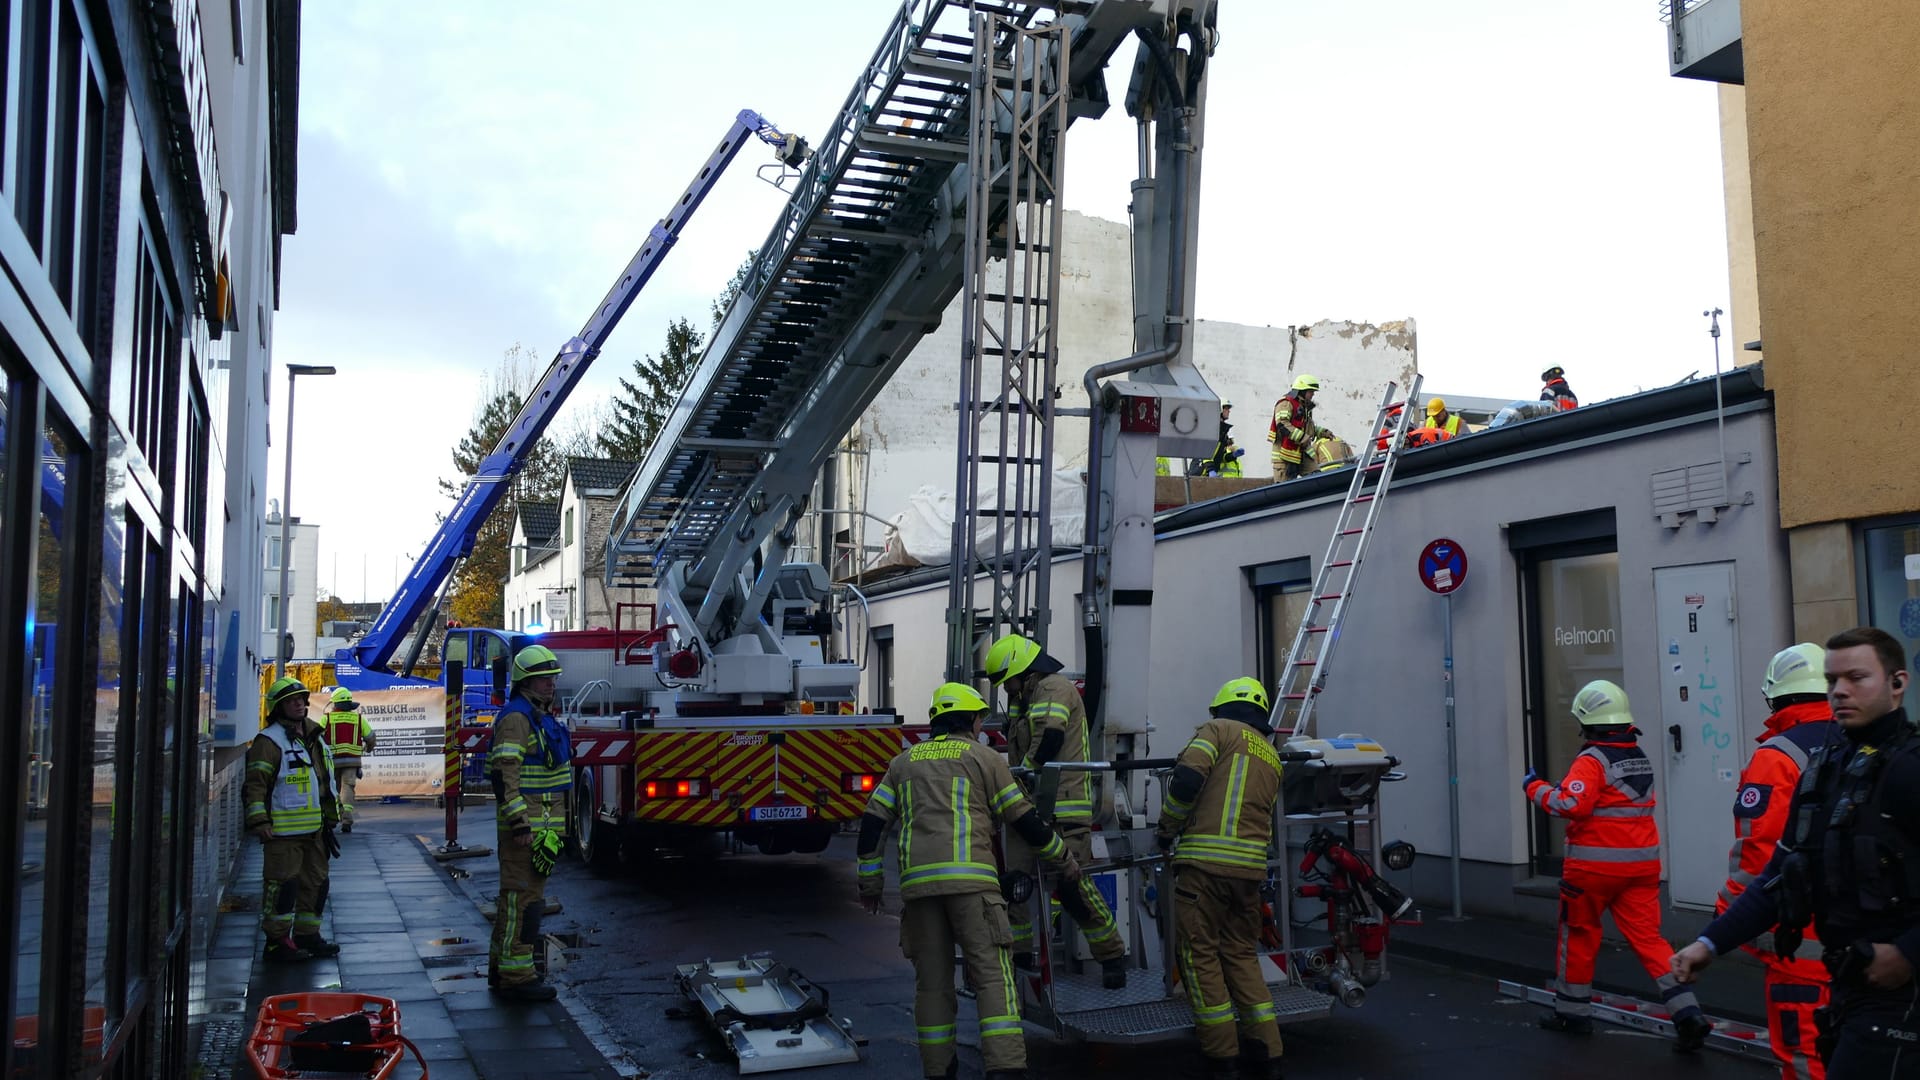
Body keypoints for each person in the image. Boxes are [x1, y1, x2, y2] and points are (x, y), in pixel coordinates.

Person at [1673, 627, 1920, 1076]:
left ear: (1897, 683)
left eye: (1857, 677)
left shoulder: (1908, 770)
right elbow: (1782, 871)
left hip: (1902, 993)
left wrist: (1906, 952)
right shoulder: (1826, 769)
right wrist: (1710, 942)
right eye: (1832, 680)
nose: (1841, 691)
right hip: (1850, 983)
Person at [857, 682, 1083, 1080]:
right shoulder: (984, 758)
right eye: (980, 720)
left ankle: (939, 1071)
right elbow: (1023, 819)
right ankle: (1005, 1068)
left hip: (919, 892)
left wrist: (870, 885)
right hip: (974, 888)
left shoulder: (903, 763)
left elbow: (873, 825)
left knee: (932, 986)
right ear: (973, 721)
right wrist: (1062, 857)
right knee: (993, 979)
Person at [1524, 679, 1712, 1049]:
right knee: (1650, 941)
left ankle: (1573, 1015)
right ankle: (1687, 1014)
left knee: (1578, 936)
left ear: (1587, 721)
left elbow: (1570, 805)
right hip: (1641, 869)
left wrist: (1535, 787)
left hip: (1593, 871)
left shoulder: (1591, 760)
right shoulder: (1637, 755)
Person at [1156, 677, 1287, 1080]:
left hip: (1204, 868)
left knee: (1199, 957)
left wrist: (1167, 828)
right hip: (1249, 873)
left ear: (1223, 708)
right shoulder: (1271, 754)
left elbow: (1187, 780)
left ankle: (1221, 1057)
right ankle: (1267, 1052)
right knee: (1242, 955)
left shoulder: (1217, 731)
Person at [1717, 643, 1836, 1080]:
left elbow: (1757, 857)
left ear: (1777, 697)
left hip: (1801, 944)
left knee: (1804, 1056)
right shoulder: (1866, 742)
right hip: (1869, 944)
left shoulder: (1777, 757)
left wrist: (1728, 920)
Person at [983, 633, 1129, 988]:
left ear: (1021, 669)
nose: (1007, 690)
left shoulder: (1054, 689)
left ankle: (1112, 957)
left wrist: (1025, 776)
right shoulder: (1026, 697)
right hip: (1025, 811)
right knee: (1015, 888)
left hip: (1062, 809)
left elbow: (1048, 741)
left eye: (1008, 680)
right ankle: (1020, 958)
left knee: (1073, 887)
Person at [487, 644, 573, 1002]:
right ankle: (518, 978)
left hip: (542, 833)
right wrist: (521, 825)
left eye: (552, 678)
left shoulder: (539, 717)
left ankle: (502, 968)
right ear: (525, 683)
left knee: (518, 902)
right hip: (525, 833)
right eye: (542, 679)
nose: (550, 684)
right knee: (523, 904)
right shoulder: (517, 720)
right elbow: (505, 775)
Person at [244, 677, 342, 962]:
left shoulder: (314, 735)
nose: (299, 703)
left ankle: (307, 936)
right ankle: (276, 943)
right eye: (291, 700)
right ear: (277, 708)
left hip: (316, 831)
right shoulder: (269, 742)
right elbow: (256, 785)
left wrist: (332, 817)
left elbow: (323, 780)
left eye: (301, 698)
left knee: (316, 883)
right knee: (282, 887)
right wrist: (260, 822)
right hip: (282, 833)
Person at [324, 687, 376, 832]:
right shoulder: (358, 719)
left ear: (335, 704)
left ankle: (332, 818)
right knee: (347, 788)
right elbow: (371, 738)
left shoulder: (327, 718)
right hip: (351, 761)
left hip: (332, 761)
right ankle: (346, 820)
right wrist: (368, 749)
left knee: (331, 789)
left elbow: (316, 737)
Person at [1268, 374, 1321, 481]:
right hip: (1284, 457)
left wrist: (1322, 432)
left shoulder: (1304, 408)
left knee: (1317, 478)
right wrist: (1302, 437)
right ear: (1302, 391)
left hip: (1300, 453)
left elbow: (1307, 428)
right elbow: (1282, 425)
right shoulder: (1286, 403)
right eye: (1311, 391)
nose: (1313, 394)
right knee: (1284, 491)